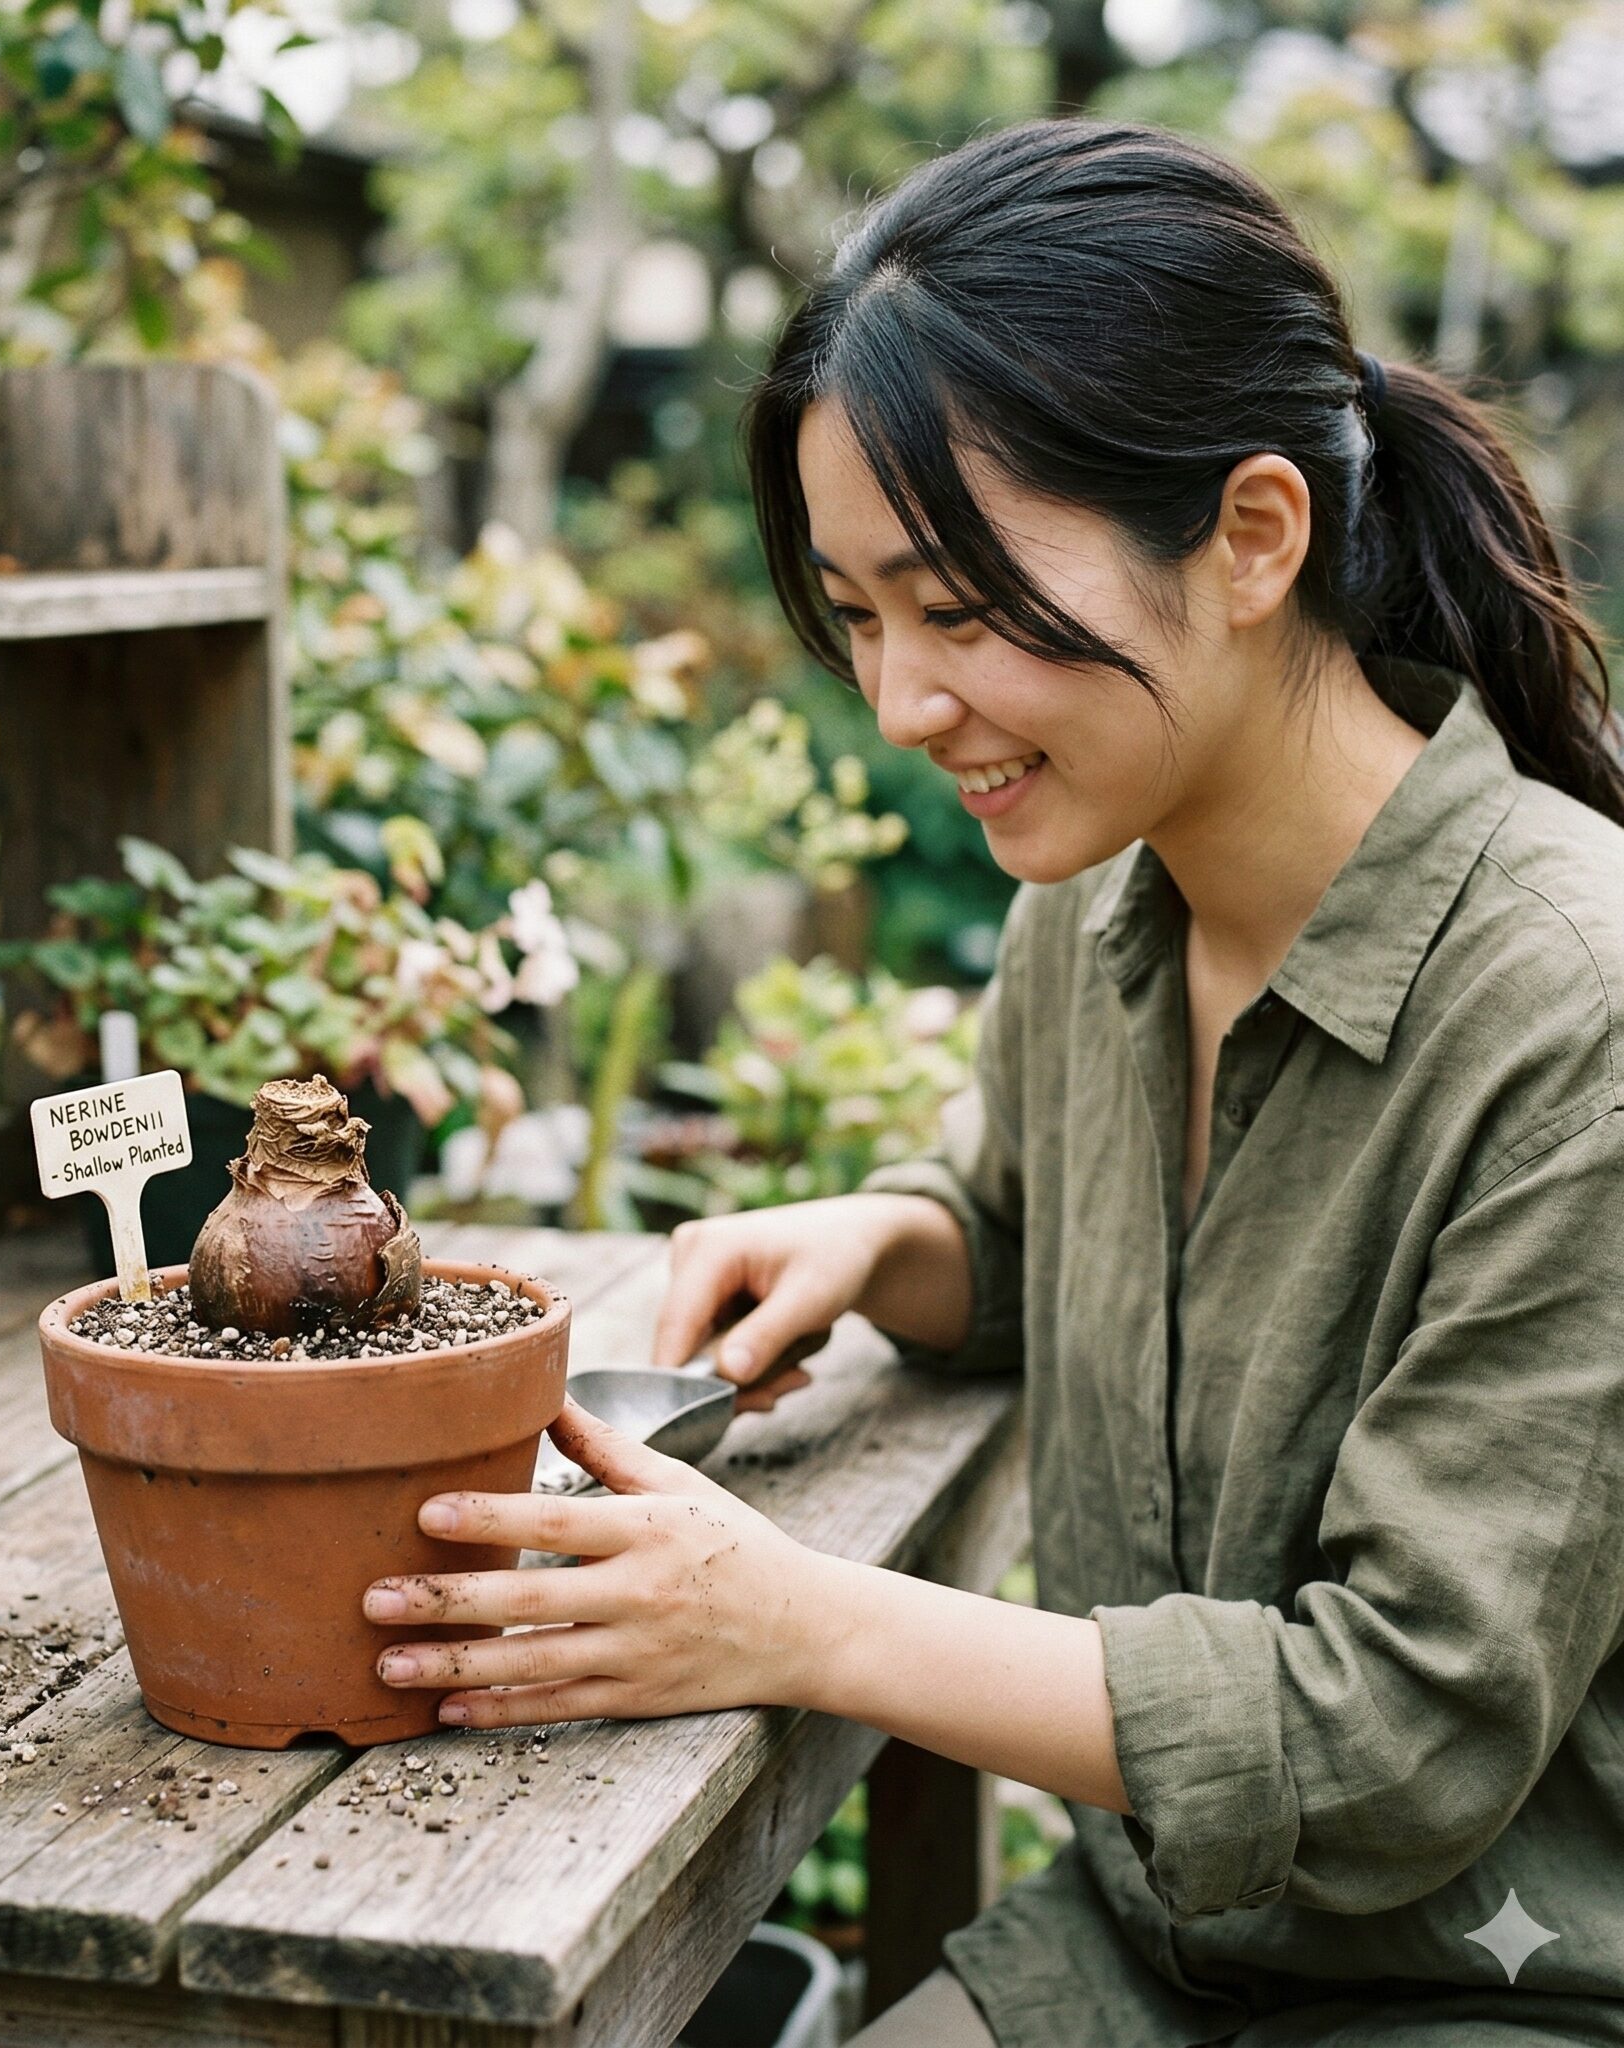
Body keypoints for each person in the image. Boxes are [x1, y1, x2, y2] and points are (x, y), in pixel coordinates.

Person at [362, 117, 1624, 2045]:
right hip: (1141, 1947)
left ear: (1254, 536)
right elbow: (1035, 1243)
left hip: (1490, 1995)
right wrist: (887, 1239)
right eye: (861, 618)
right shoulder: (1103, 903)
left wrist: (790, 1619)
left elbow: (1394, 1742)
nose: (899, 705)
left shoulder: (1576, 1014)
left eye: (957, 609)